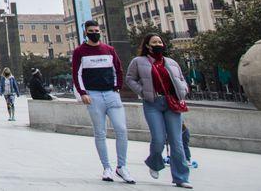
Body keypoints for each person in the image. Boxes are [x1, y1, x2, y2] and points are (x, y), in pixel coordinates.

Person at [125, 34, 191, 188]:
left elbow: (181, 79)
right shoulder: (138, 62)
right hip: (153, 103)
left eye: (160, 42)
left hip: (172, 103)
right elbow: (130, 79)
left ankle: (181, 177)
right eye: (154, 42)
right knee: (159, 139)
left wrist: (184, 89)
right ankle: (154, 163)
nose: (157, 44)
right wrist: (143, 92)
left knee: (177, 142)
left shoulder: (171, 63)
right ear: (147, 45)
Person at [72, 20, 133, 184]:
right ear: (86, 33)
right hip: (93, 95)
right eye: (91, 30)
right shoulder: (79, 51)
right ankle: (107, 167)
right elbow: (76, 73)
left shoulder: (109, 50)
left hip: (111, 94)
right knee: (100, 132)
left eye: (96, 30)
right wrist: (83, 93)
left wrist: (117, 87)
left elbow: (118, 69)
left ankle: (122, 166)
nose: (94, 32)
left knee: (121, 129)